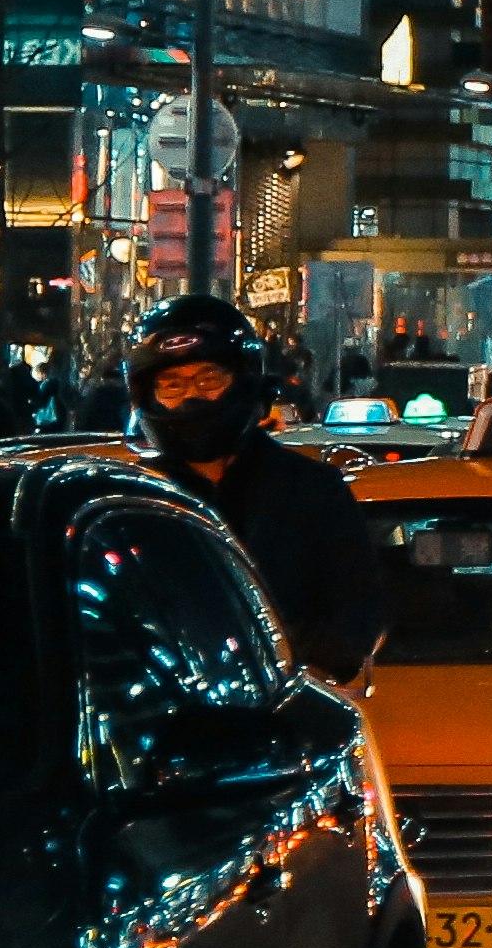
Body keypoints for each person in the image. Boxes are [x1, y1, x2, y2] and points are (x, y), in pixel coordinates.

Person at [121, 292, 387, 683]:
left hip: (285, 715)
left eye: (208, 379)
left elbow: (356, 611)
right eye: (172, 385)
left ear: (243, 380)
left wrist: (290, 674)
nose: (192, 397)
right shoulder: (132, 501)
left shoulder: (311, 490)